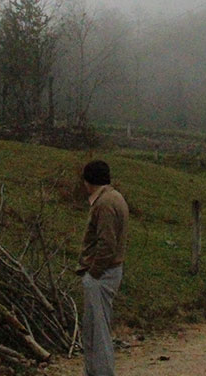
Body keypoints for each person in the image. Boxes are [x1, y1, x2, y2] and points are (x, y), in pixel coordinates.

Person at [76, 160, 128, 376]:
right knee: (97, 326)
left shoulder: (104, 204)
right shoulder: (115, 197)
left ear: (89, 181)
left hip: (102, 274)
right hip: (110, 270)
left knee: (98, 331)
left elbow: (107, 244)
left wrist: (93, 273)